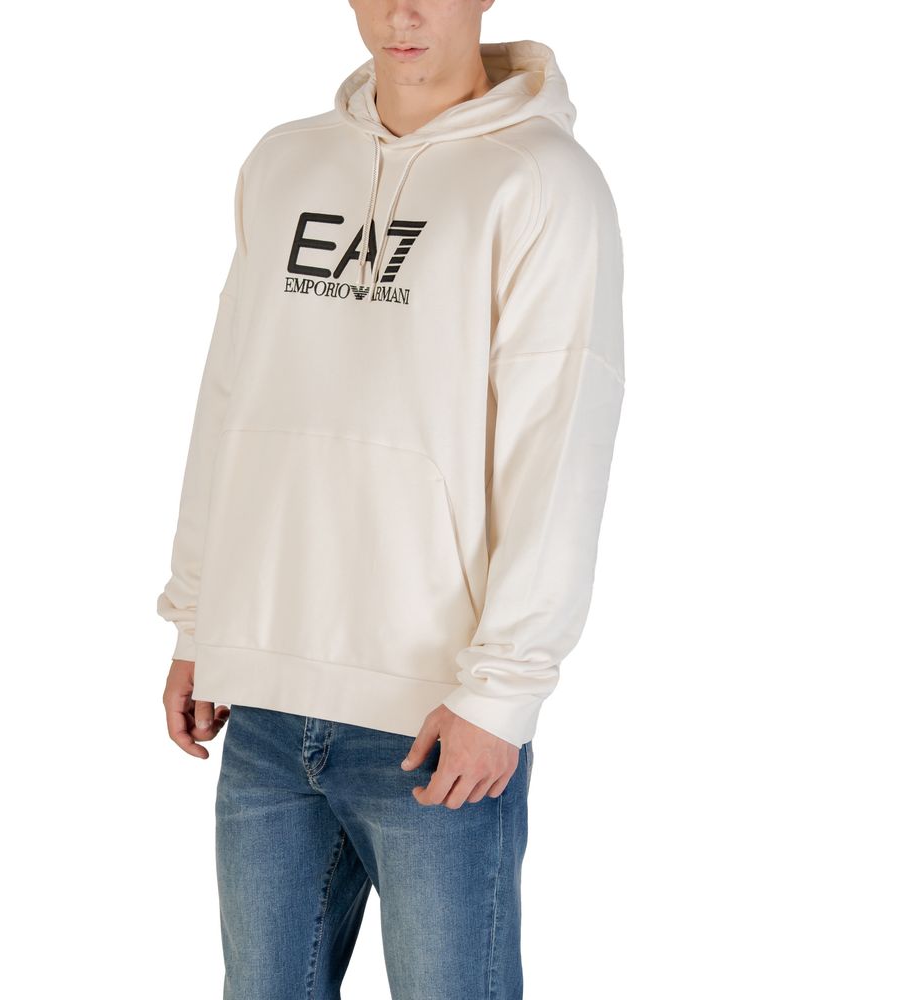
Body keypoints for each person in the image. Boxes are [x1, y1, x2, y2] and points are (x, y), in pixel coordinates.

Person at [156, 2, 625, 996]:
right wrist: (201, 618)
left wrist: (502, 692)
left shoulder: (542, 182)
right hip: (265, 703)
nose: (402, 12)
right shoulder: (285, 163)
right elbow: (231, 396)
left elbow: (557, 445)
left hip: (435, 716)